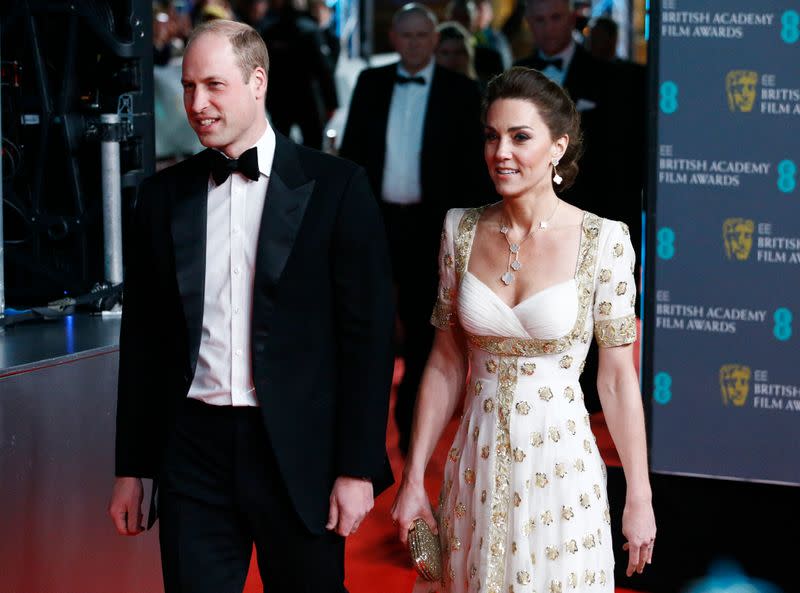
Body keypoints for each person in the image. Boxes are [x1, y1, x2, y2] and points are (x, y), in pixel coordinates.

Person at [107, 19, 395, 593]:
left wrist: (356, 467)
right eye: (189, 87)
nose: (197, 103)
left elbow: (367, 341)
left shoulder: (337, 187)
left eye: (214, 85)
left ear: (257, 81)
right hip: (192, 453)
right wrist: (132, 467)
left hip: (297, 451)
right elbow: (146, 341)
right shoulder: (163, 197)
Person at [391, 68, 656, 593]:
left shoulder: (604, 241)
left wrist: (640, 497)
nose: (501, 152)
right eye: (492, 136)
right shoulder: (458, 230)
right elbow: (445, 362)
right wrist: (413, 474)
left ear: (558, 147)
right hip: (475, 464)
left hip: (560, 470)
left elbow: (619, 382)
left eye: (520, 137)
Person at [339, 2, 494, 457]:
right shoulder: (371, 83)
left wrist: (466, 234)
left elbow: (471, 171)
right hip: (378, 225)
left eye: (421, 37)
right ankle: (363, 434)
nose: (413, 44)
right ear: (394, 39)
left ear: (434, 39)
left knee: (428, 335)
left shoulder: (464, 92)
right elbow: (351, 158)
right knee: (370, 330)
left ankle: (412, 433)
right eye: (405, 36)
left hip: (433, 229)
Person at [261, 0, 339, 150]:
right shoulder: (310, 30)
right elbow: (325, 70)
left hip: (280, 100)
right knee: (313, 150)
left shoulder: (270, 31)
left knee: (280, 150)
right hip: (308, 101)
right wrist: (332, 103)